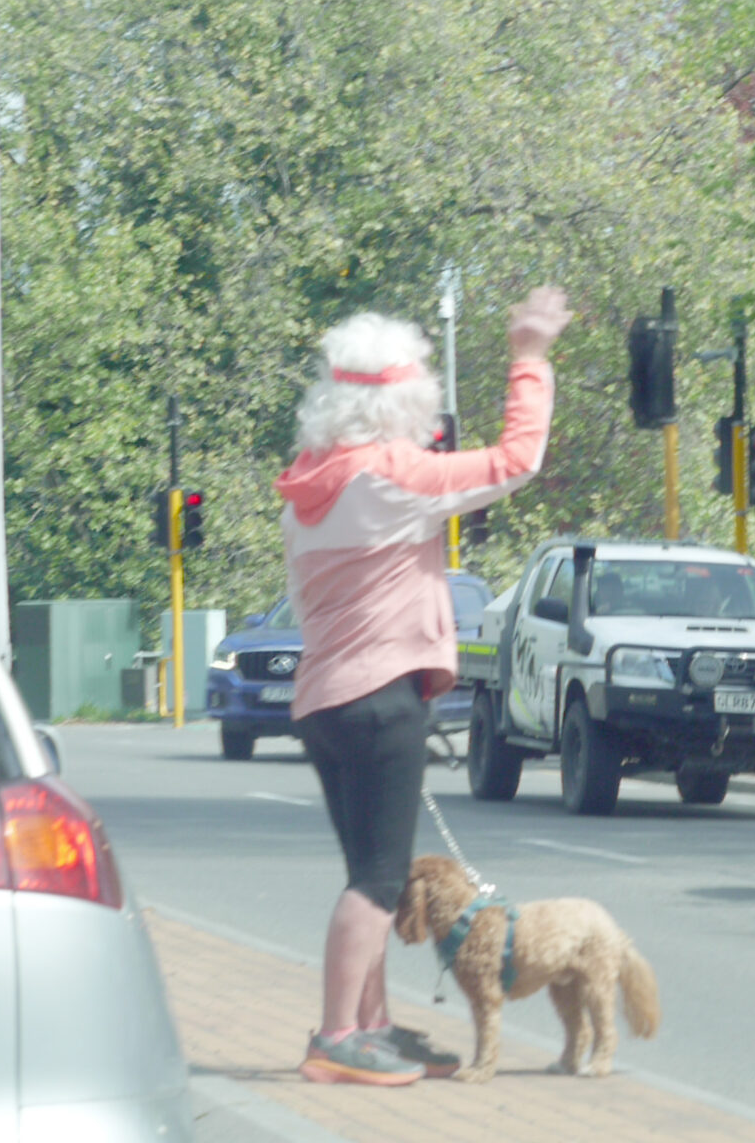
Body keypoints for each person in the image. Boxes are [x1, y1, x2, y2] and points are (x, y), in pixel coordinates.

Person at [278, 285, 570, 1085]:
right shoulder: (391, 479)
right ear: (408, 402)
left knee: (367, 870)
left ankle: (374, 1028)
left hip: (323, 700)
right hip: (382, 703)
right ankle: (339, 1036)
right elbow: (518, 460)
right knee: (379, 879)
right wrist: (530, 356)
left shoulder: (306, 488)